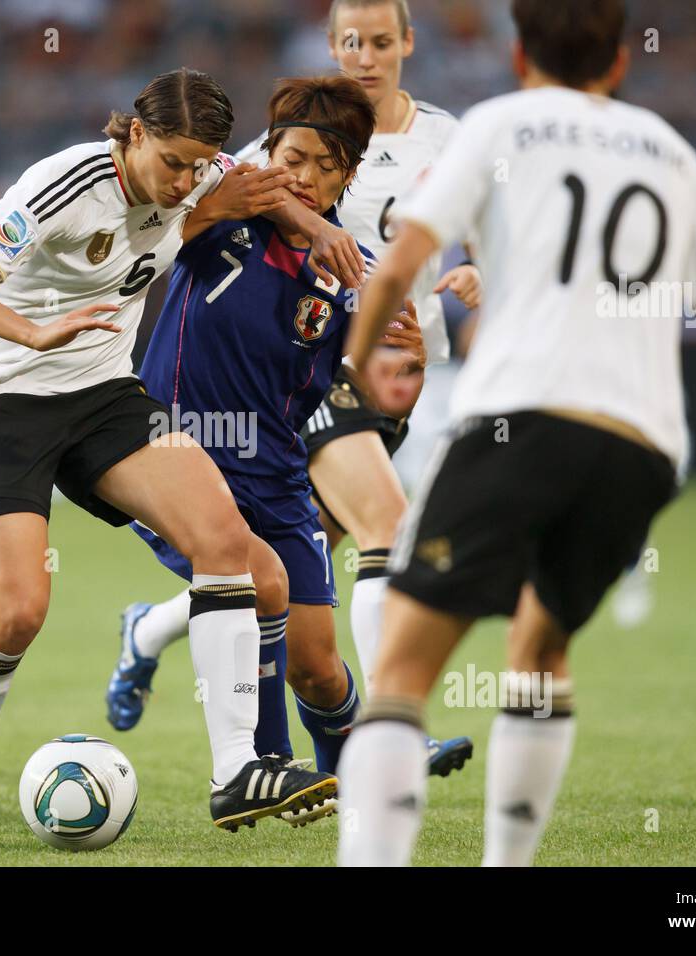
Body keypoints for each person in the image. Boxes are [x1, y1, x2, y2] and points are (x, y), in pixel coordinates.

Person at [336, 0, 696, 866]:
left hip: (521, 419)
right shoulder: (672, 152)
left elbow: (400, 262)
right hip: (641, 446)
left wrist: (354, 368)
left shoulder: (499, 124)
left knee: (400, 678)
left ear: (521, 53)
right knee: (539, 653)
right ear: (618, 64)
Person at [0, 68, 341, 842]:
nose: (186, 182)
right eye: (173, 161)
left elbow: (264, 186)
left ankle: (235, 772)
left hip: (104, 397)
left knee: (228, 547)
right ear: (134, 134)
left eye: (199, 164)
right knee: (17, 614)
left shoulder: (203, 172)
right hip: (1, 405)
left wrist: (324, 232)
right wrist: (34, 332)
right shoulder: (66, 183)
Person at [106, 0, 477, 778]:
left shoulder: (357, 277)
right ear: (269, 150)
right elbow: (199, 195)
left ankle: (352, 773)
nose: (302, 177)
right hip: (181, 450)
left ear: (349, 173)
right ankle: (269, 764)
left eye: (324, 166)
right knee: (257, 583)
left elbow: (379, 376)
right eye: (291, 156)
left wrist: (394, 358)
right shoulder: (224, 205)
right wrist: (314, 224)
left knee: (315, 659)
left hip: (274, 467)